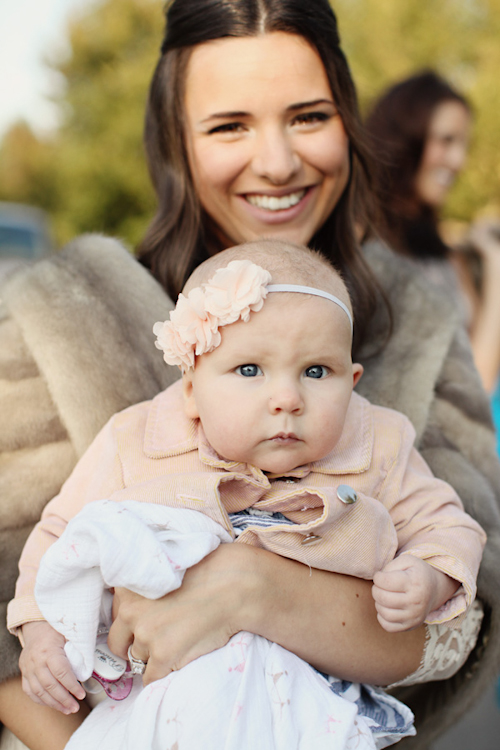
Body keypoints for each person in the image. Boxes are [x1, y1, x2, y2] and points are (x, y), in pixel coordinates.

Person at [0, 2, 499, 749]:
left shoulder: (417, 320)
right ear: (176, 142)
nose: (276, 162)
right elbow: (8, 640)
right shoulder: (59, 318)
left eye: (307, 116)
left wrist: (258, 591)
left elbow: (468, 611)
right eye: (229, 125)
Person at [15, 242, 485, 749]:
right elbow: (61, 536)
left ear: (352, 383)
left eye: (315, 371)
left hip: (311, 715)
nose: (287, 399)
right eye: (249, 371)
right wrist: (41, 631)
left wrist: (430, 576)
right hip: (159, 708)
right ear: (191, 389)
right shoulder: (137, 441)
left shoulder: (381, 444)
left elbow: (448, 525)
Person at [365, 70, 500, 393]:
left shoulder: (448, 258)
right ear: (404, 139)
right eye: (446, 140)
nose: (458, 160)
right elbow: (476, 385)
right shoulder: (361, 251)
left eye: (463, 143)